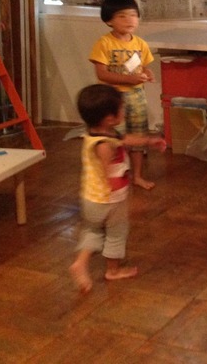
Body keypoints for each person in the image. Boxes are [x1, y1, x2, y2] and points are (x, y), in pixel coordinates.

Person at [69, 84, 166, 293]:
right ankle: (112, 271)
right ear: (109, 119)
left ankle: (80, 263)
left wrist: (149, 141)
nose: (124, 111)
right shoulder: (105, 146)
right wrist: (131, 201)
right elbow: (110, 176)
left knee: (93, 230)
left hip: (90, 199)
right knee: (116, 232)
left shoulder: (99, 134)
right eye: (121, 108)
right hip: (110, 200)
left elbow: (126, 139)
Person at [89, 0, 157, 190]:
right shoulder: (104, 43)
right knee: (112, 137)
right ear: (109, 20)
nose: (129, 20)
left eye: (133, 15)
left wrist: (148, 74)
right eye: (122, 16)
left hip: (137, 96)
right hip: (112, 97)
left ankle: (137, 176)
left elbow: (144, 67)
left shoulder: (140, 44)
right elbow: (102, 74)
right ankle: (109, 176)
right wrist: (129, 79)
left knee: (138, 136)